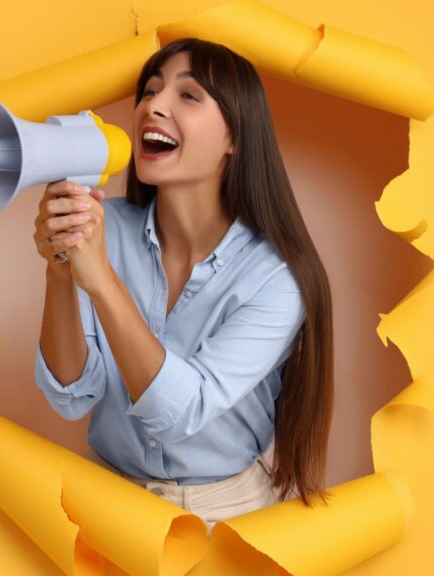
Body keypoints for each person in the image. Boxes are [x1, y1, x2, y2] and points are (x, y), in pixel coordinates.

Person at [32, 38, 334, 532]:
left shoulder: (277, 279)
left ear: (234, 136)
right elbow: (71, 396)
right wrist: (60, 271)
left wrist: (102, 281)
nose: (154, 105)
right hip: (102, 499)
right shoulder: (104, 226)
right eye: (149, 92)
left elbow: (183, 409)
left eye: (188, 96)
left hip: (226, 518)